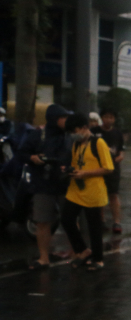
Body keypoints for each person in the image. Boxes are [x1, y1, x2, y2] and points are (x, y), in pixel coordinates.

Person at [19, 104, 72, 270]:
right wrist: (33, 158)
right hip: (43, 183)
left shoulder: (72, 136)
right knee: (42, 222)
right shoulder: (38, 135)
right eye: (64, 118)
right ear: (55, 119)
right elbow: (21, 154)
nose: (67, 121)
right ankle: (43, 257)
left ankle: (76, 253)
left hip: (66, 184)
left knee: (71, 220)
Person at [61, 114, 114, 270]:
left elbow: (108, 168)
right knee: (66, 219)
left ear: (84, 128)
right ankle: (83, 250)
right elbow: (76, 163)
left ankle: (98, 259)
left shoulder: (98, 143)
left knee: (94, 226)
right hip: (76, 189)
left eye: (75, 131)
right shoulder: (77, 144)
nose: (73, 134)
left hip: (93, 190)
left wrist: (85, 174)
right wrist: (69, 170)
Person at [95, 107, 125, 233]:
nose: (108, 120)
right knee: (99, 194)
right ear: (101, 118)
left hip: (113, 170)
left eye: (111, 117)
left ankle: (116, 222)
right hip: (97, 169)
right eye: (106, 117)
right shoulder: (94, 132)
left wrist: (113, 161)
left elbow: (121, 153)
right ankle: (101, 221)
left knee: (113, 194)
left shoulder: (117, 133)